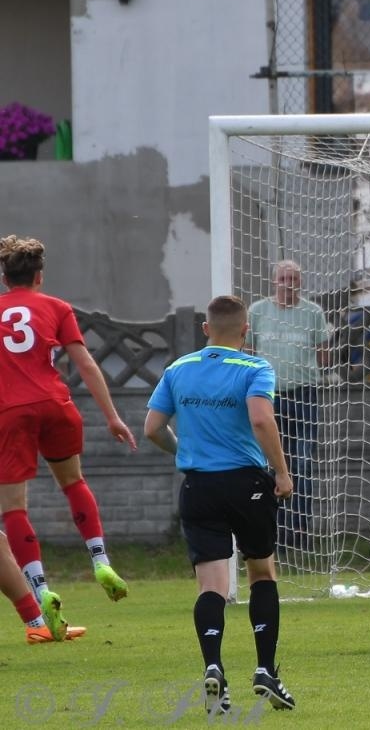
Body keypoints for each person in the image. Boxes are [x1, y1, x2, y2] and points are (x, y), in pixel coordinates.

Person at [145, 294, 297, 716]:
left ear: (206, 329)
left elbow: (153, 427)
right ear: (246, 331)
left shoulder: (178, 369)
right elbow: (262, 419)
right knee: (261, 571)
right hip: (246, 483)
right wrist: (282, 474)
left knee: (211, 586)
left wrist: (182, 452)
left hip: (199, 487)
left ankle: (213, 665)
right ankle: (266, 670)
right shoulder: (255, 368)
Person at [0, 235, 136, 631]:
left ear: (5, 276)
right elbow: (87, 365)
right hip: (56, 404)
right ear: (39, 276)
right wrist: (113, 417)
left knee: (13, 507)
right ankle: (100, 561)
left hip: (11, 411)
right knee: (73, 482)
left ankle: (40, 587)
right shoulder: (57, 307)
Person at [246, 260, 331, 555]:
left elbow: (324, 353)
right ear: (274, 282)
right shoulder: (257, 311)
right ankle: (272, 530)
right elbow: (249, 351)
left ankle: (299, 531)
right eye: (283, 278)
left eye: (293, 278)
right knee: (268, 464)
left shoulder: (313, 313)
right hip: (268, 397)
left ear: (301, 282)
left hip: (304, 394)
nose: (288, 283)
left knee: (303, 463)